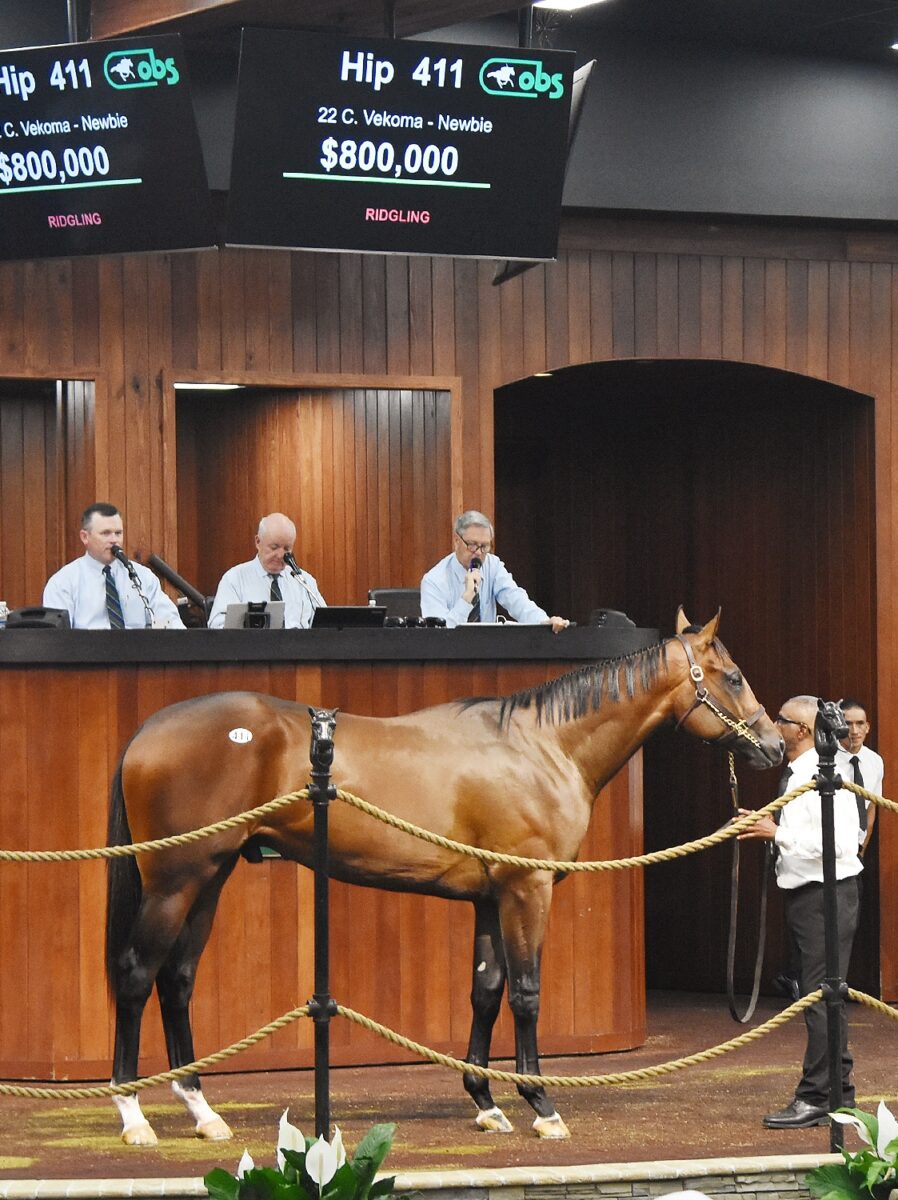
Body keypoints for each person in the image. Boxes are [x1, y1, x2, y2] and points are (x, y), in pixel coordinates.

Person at [738, 695, 862, 1130]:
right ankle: (839, 1094)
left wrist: (779, 833)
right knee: (824, 996)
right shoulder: (800, 775)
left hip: (826, 895)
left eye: (782, 720)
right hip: (807, 895)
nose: (776, 724)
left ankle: (816, 1097)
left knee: (820, 997)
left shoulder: (826, 775)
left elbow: (843, 844)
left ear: (802, 731)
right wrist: (770, 826)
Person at [420, 510, 570, 632]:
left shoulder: (493, 565)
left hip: (488, 656)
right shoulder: (434, 581)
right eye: (472, 545)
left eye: (484, 546)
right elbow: (439, 635)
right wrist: (466, 599)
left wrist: (542, 621)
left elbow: (515, 598)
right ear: (456, 541)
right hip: (450, 660)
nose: (478, 553)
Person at [43, 502, 185, 630]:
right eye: (106, 533)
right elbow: (57, 640)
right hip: (87, 655)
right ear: (85, 537)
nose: (114, 540)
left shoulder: (142, 576)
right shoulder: (64, 581)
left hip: (138, 654)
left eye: (118, 533)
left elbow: (172, 624)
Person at [208, 512, 325, 629]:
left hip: (298, 645)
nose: (280, 555)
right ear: (258, 542)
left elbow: (327, 623)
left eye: (287, 549)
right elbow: (217, 627)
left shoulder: (304, 582)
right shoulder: (234, 579)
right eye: (274, 547)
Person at [836, 698, 883, 857]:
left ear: (867, 727)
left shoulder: (875, 761)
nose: (854, 731)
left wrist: (862, 849)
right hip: (829, 846)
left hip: (856, 849)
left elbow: (871, 807)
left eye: (860, 723)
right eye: (848, 724)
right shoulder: (824, 760)